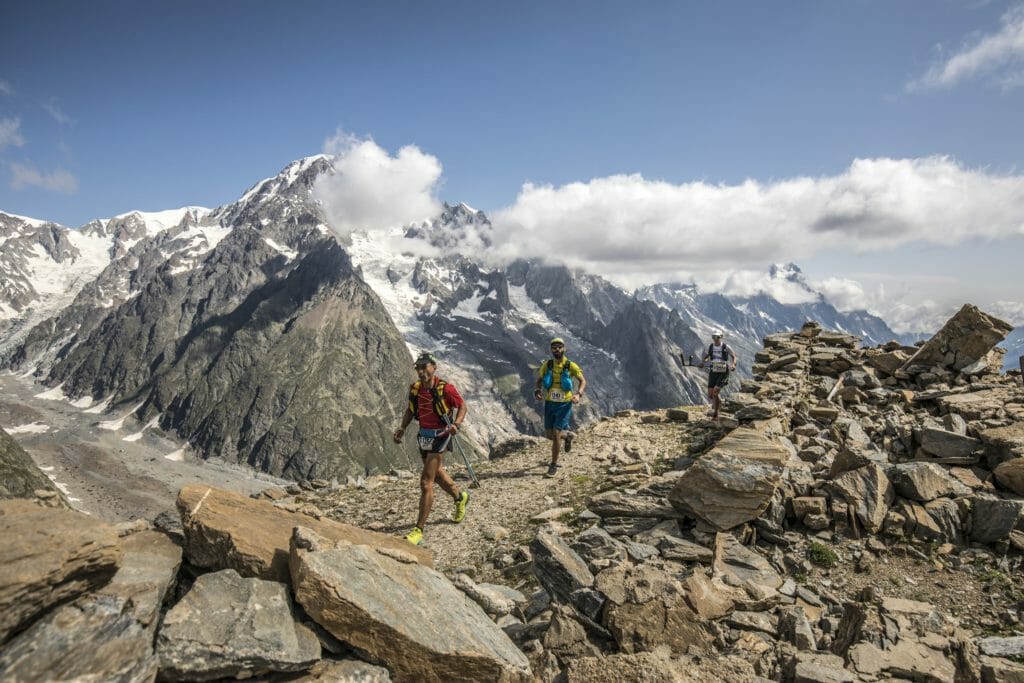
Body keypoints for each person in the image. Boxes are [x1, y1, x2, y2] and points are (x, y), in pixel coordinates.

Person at [393, 352, 470, 546]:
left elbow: (462, 406)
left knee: (426, 482)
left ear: (433, 367)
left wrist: (457, 424)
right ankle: (460, 497)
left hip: (441, 435)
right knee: (436, 474)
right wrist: (402, 428)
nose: (421, 371)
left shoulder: (446, 388)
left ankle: (418, 530)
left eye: (424, 367)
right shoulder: (415, 389)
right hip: (424, 435)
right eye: (418, 367)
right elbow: (411, 410)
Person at [533, 337, 586, 477]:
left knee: (556, 434)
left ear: (564, 349)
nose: (557, 349)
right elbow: (538, 381)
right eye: (554, 347)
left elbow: (582, 381)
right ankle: (567, 436)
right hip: (550, 403)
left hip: (564, 404)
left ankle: (553, 465)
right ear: (551, 350)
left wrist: (578, 394)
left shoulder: (571, 365)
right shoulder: (547, 365)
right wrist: (537, 391)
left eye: (559, 347)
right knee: (550, 435)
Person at [701, 329, 736, 420]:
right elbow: (708, 355)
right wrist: (703, 362)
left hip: (723, 370)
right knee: (710, 394)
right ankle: (720, 405)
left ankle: (716, 414)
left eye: (717, 337)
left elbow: (733, 356)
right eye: (713, 337)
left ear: (721, 337)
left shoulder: (725, 346)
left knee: (715, 392)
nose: (715, 339)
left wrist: (733, 364)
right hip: (714, 369)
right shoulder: (711, 346)